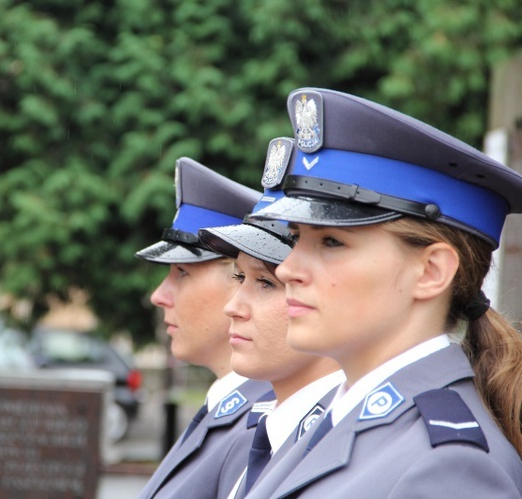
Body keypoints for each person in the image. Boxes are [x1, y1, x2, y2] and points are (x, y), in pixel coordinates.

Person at [244, 88, 522, 498]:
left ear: (431, 271)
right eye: (297, 238)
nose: (287, 269)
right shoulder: (334, 418)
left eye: (332, 243)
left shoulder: (448, 467)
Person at [198, 137, 344, 498]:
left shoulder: (343, 442)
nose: (233, 307)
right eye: (238, 277)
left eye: (265, 282)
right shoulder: (275, 433)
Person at [135, 157, 271, 499]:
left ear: (241, 277)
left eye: (182, 273)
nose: (158, 296)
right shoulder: (229, 408)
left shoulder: (261, 425)